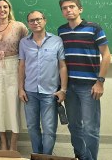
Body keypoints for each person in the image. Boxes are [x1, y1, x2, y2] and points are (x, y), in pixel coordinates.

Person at [58, 0, 111, 160]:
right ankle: (81, 156)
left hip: (89, 87)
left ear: (80, 9)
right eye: (65, 8)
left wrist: (100, 82)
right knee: (74, 126)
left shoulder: (94, 28)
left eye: (72, 7)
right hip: (70, 86)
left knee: (90, 128)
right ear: (62, 12)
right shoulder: (62, 31)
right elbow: (62, 61)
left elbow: (107, 55)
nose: (68, 10)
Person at [18, 10, 68, 155]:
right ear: (28, 24)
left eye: (38, 19)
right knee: (32, 126)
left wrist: (63, 89)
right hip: (30, 92)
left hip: (50, 93)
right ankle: (37, 155)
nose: (36, 22)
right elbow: (22, 66)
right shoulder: (24, 43)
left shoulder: (57, 41)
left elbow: (62, 66)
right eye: (32, 20)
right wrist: (20, 88)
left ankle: (46, 157)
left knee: (49, 129)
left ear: (44, 20)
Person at [0, 0, 28, 151]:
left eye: (5, 7)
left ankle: (13, 144)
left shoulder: (19, 27)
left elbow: (27, 50)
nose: (2, 10)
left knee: (13, 105)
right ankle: (3, 143)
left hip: (14, 66)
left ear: (9, 9)